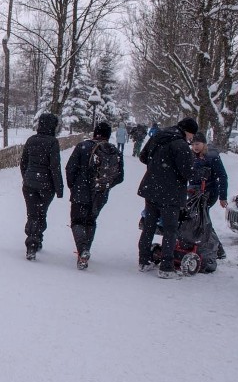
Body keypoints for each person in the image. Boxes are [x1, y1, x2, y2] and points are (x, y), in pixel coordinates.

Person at [137, 117, 198, 278]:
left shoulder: (158, 135)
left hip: (151, 188)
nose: (192, 139)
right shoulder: (181, 145)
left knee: (149, 226)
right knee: (170, 230)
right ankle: (166, 267)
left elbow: (143, 156)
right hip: (170, 193)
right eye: (192, 135)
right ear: (187, 131)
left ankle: (144, 260)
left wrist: (156, 167)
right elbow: (187, 172)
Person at [65, 122, 124, 270]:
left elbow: (70, 168)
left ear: (94, 132)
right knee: (90, 222)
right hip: (100, 193)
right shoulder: (114, 151)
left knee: (77, 221)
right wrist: (104, 186)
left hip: (81, 191)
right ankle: (86, 251)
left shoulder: (83, 147)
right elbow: (120, 177)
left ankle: (83, 251)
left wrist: (73, 185)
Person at [20, 113, 64, 261]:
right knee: (41, 213)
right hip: (46, 185)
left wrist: (26, 178)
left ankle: (32, 241)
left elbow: (23, 162)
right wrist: (59, 188)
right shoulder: (52, 142)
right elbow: (55, 167)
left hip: (30, 185)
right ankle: (35, 239)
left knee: (32, 214)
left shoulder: (31, 140)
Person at [190, 132, 228, 259]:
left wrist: (223, 197)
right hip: (195, 192)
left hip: (209, 192)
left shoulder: (212, 157)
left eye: (198, 144)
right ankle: (209, 246)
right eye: (193, 144)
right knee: (197, 218)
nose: (195, 146)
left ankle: (217, 249)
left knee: (203, 218)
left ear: (204, 144)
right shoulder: (192, 156)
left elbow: (222, 176)